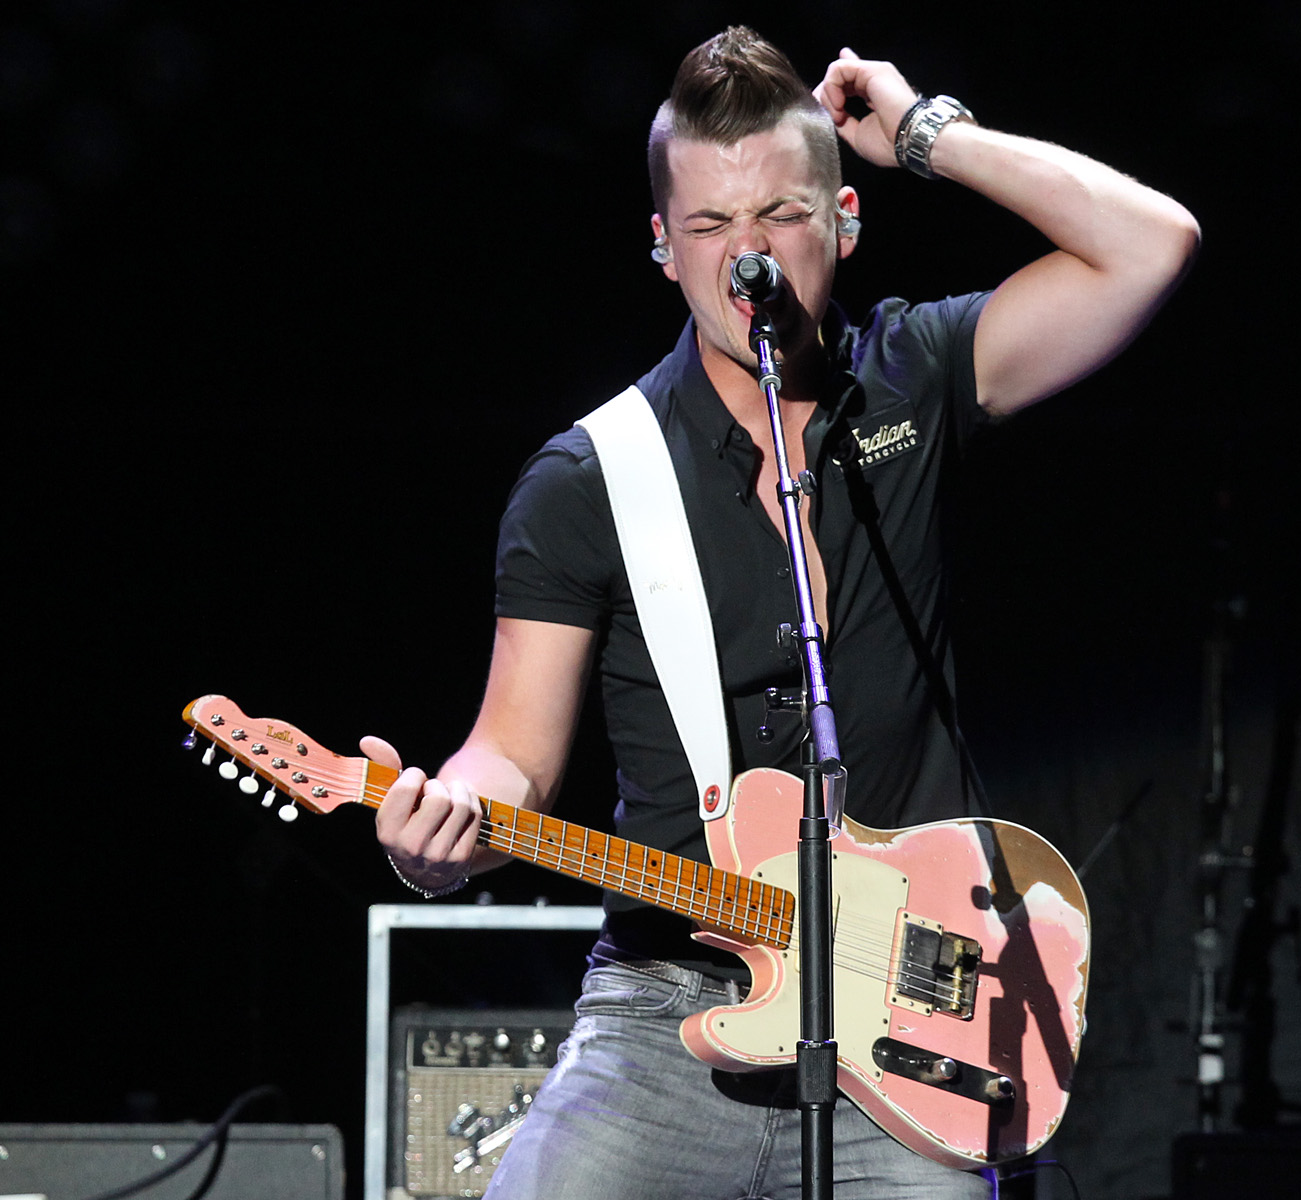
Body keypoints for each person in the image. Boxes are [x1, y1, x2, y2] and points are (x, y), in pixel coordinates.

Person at [366, 27, 1199, 1200]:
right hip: (668, 1010)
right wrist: (443, 827)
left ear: (846, 222)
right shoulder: (591, 478)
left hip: (908, 1004)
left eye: (782, 216)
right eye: (710, 225)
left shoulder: (913, 372)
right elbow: (512, 755)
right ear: (663, 248)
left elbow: (1151, 245)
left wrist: (929, 134)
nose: (747, 256)